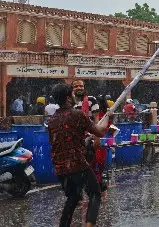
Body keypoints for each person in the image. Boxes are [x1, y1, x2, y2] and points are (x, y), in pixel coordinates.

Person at [48, 83, 110, 227]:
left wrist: (83, 139)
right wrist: (107, 116)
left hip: (60, 168)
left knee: (73, 198)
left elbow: (59, 141)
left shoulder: (52, 120)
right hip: (77, 165)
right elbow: (99, 131)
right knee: (95, 193)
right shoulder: (77, 115)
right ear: (68, 98)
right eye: (72, 93)